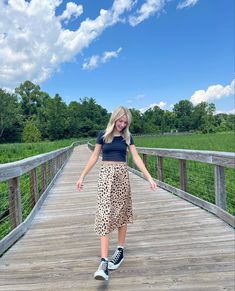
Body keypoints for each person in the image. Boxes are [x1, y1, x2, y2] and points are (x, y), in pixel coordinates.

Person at [76, 106, 157, 281]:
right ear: (114, 119)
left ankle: (119, 250)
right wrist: (82, 176)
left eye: (125, 122)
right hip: (105, 177)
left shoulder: (128, 137)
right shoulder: (102, 135)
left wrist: (149, 178)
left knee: (122, 213)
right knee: (104, 214)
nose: (122, 125)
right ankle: (104, 262)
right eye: (120, 121)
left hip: (122, 177)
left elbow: (136, 158)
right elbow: (94, 157)